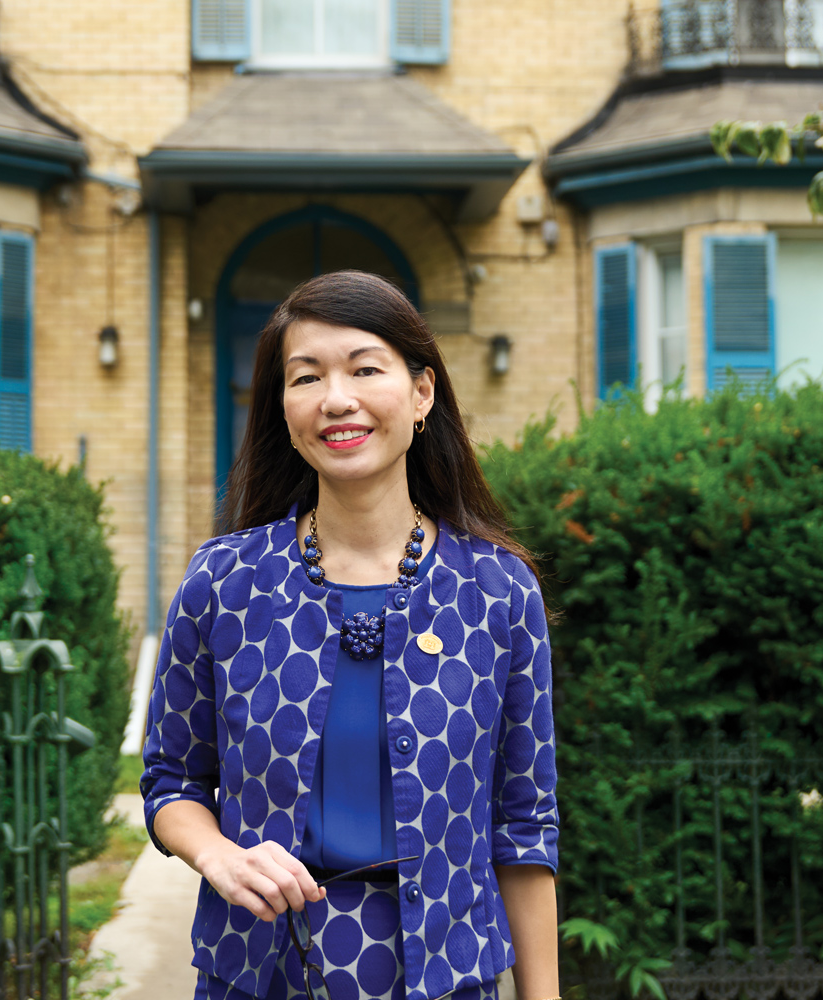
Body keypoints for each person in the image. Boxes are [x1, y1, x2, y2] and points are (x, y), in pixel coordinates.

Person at [141, 270, 560, 1000]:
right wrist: (217, 855)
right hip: (259, 975)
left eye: (366, 368)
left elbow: (523, 829)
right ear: (283, 406)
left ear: (422, 392)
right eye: (306, 377)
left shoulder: (498, 593)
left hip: (448, 978)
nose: (337, 399)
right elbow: (171, 780)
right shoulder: (224, 583)